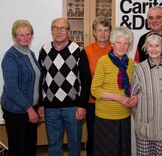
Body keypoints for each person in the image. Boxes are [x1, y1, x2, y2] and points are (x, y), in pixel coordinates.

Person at [38, 18, 91, 156]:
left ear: (69, 31)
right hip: (50, 108)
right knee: (54, 145)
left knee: (74, 144)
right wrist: (40, 103)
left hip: (73, 107)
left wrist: (82, 105)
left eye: (63, 28)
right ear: (51, 31)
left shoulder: (79, 50)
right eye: (55, 28)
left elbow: (86, 80)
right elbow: (40, 78)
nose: (59, 31)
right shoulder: (44, 50)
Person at [131, 33, 162, 156]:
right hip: (148, 129)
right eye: (150, 46)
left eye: (157, 46)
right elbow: (133, 98)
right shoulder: (139, 69)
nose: (153, 49)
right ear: (146, 49)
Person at [91, 26, 135, 156]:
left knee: (123, 151)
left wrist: (133, 98)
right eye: (118, 42)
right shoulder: (103, 61)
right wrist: (119, 98)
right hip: (106, 117)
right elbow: (95, 90)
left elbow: (133, 87)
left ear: (129, 46)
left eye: (125, 43)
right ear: (112, 43)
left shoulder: (131, 63)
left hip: (125, 115)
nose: (122, 46)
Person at [1, 19, 41, 156]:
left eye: (28, 34)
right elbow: (12, 88)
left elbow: (35, 82)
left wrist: (38, 105)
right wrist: (29, 109)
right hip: (16, 111)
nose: (25, 38)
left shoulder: (30, 53)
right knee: (18, 149)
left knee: (30, 146)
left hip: (30, 109)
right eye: (21, 35)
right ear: (14, 37)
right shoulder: (10, 57)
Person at [84, 16, 112, 156]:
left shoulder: (115, 49)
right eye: (99, 30)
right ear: (94, 32)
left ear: (110, 32)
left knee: (110, 135)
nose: (102, 33)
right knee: (94, 135)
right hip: (92, 101)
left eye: (105, 30)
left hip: (112, 101)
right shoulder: (86, 51)